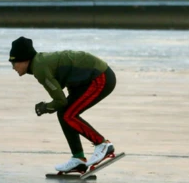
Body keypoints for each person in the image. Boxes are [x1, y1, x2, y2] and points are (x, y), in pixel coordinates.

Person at [8, 37, 117, 173]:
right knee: (64, 113)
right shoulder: (40, 63)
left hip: (100, 77)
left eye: (14, 62)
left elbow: (60, 101)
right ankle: (78, 159)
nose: (13, 67)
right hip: (86, 80)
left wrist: (45, 107)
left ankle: (102, 144)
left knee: (68, 115)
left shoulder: (40, 68)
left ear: (24, 59)